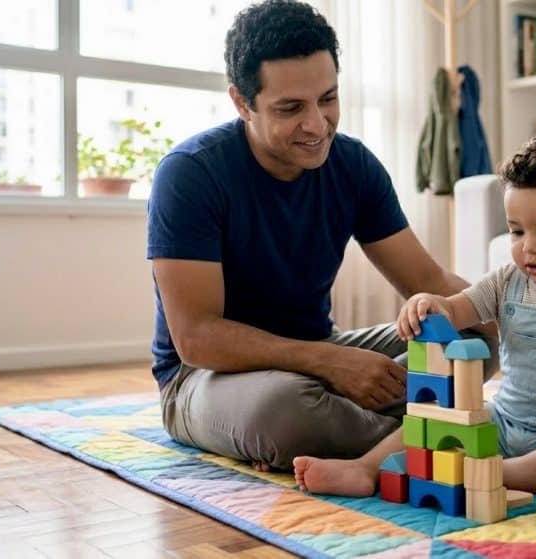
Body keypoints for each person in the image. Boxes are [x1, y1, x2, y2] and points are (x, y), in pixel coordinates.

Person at [147, 0, 491, 473]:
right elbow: (196, 337)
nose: (317, 125)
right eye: (291, 108)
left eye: (327, 98)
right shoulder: (190, 175)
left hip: (318, 360)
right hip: (205, 378)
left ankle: (358, 437)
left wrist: (521, 327)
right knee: (284, 411)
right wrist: (329, 363)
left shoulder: (353, 165)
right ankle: (436, 437)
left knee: (470, 337)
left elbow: (426, 278)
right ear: (242, 102)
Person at [294, 130, 536, 495]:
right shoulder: (506, 282)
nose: (528, 247)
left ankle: (494, 474)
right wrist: (431, 303)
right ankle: (365, 468)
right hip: (502, 422)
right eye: (516, 231)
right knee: (431, 421)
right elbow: (457, 309)